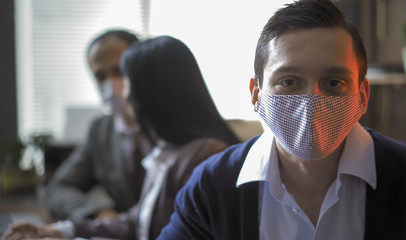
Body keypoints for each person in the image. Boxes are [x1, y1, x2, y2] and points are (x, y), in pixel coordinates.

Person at [157, 0, 406, 239]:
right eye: (289, 81)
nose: (311, 101)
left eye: (334, 82)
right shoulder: (212, 186)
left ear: (362, 95)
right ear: (256, 94)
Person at [1, 36, 240, 240]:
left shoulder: (206, 155)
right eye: (101, 77)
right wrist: (60, 230)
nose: (120, 93)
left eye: (124, 78)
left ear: (155, 87)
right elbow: (138, 220)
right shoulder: (166, 151)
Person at [44, 29, 153, 221]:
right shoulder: (101, 131)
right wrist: (98, 213)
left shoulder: (169, 125)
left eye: (118, 71)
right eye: (101, 77)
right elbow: (57, 189)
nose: (111, 84)